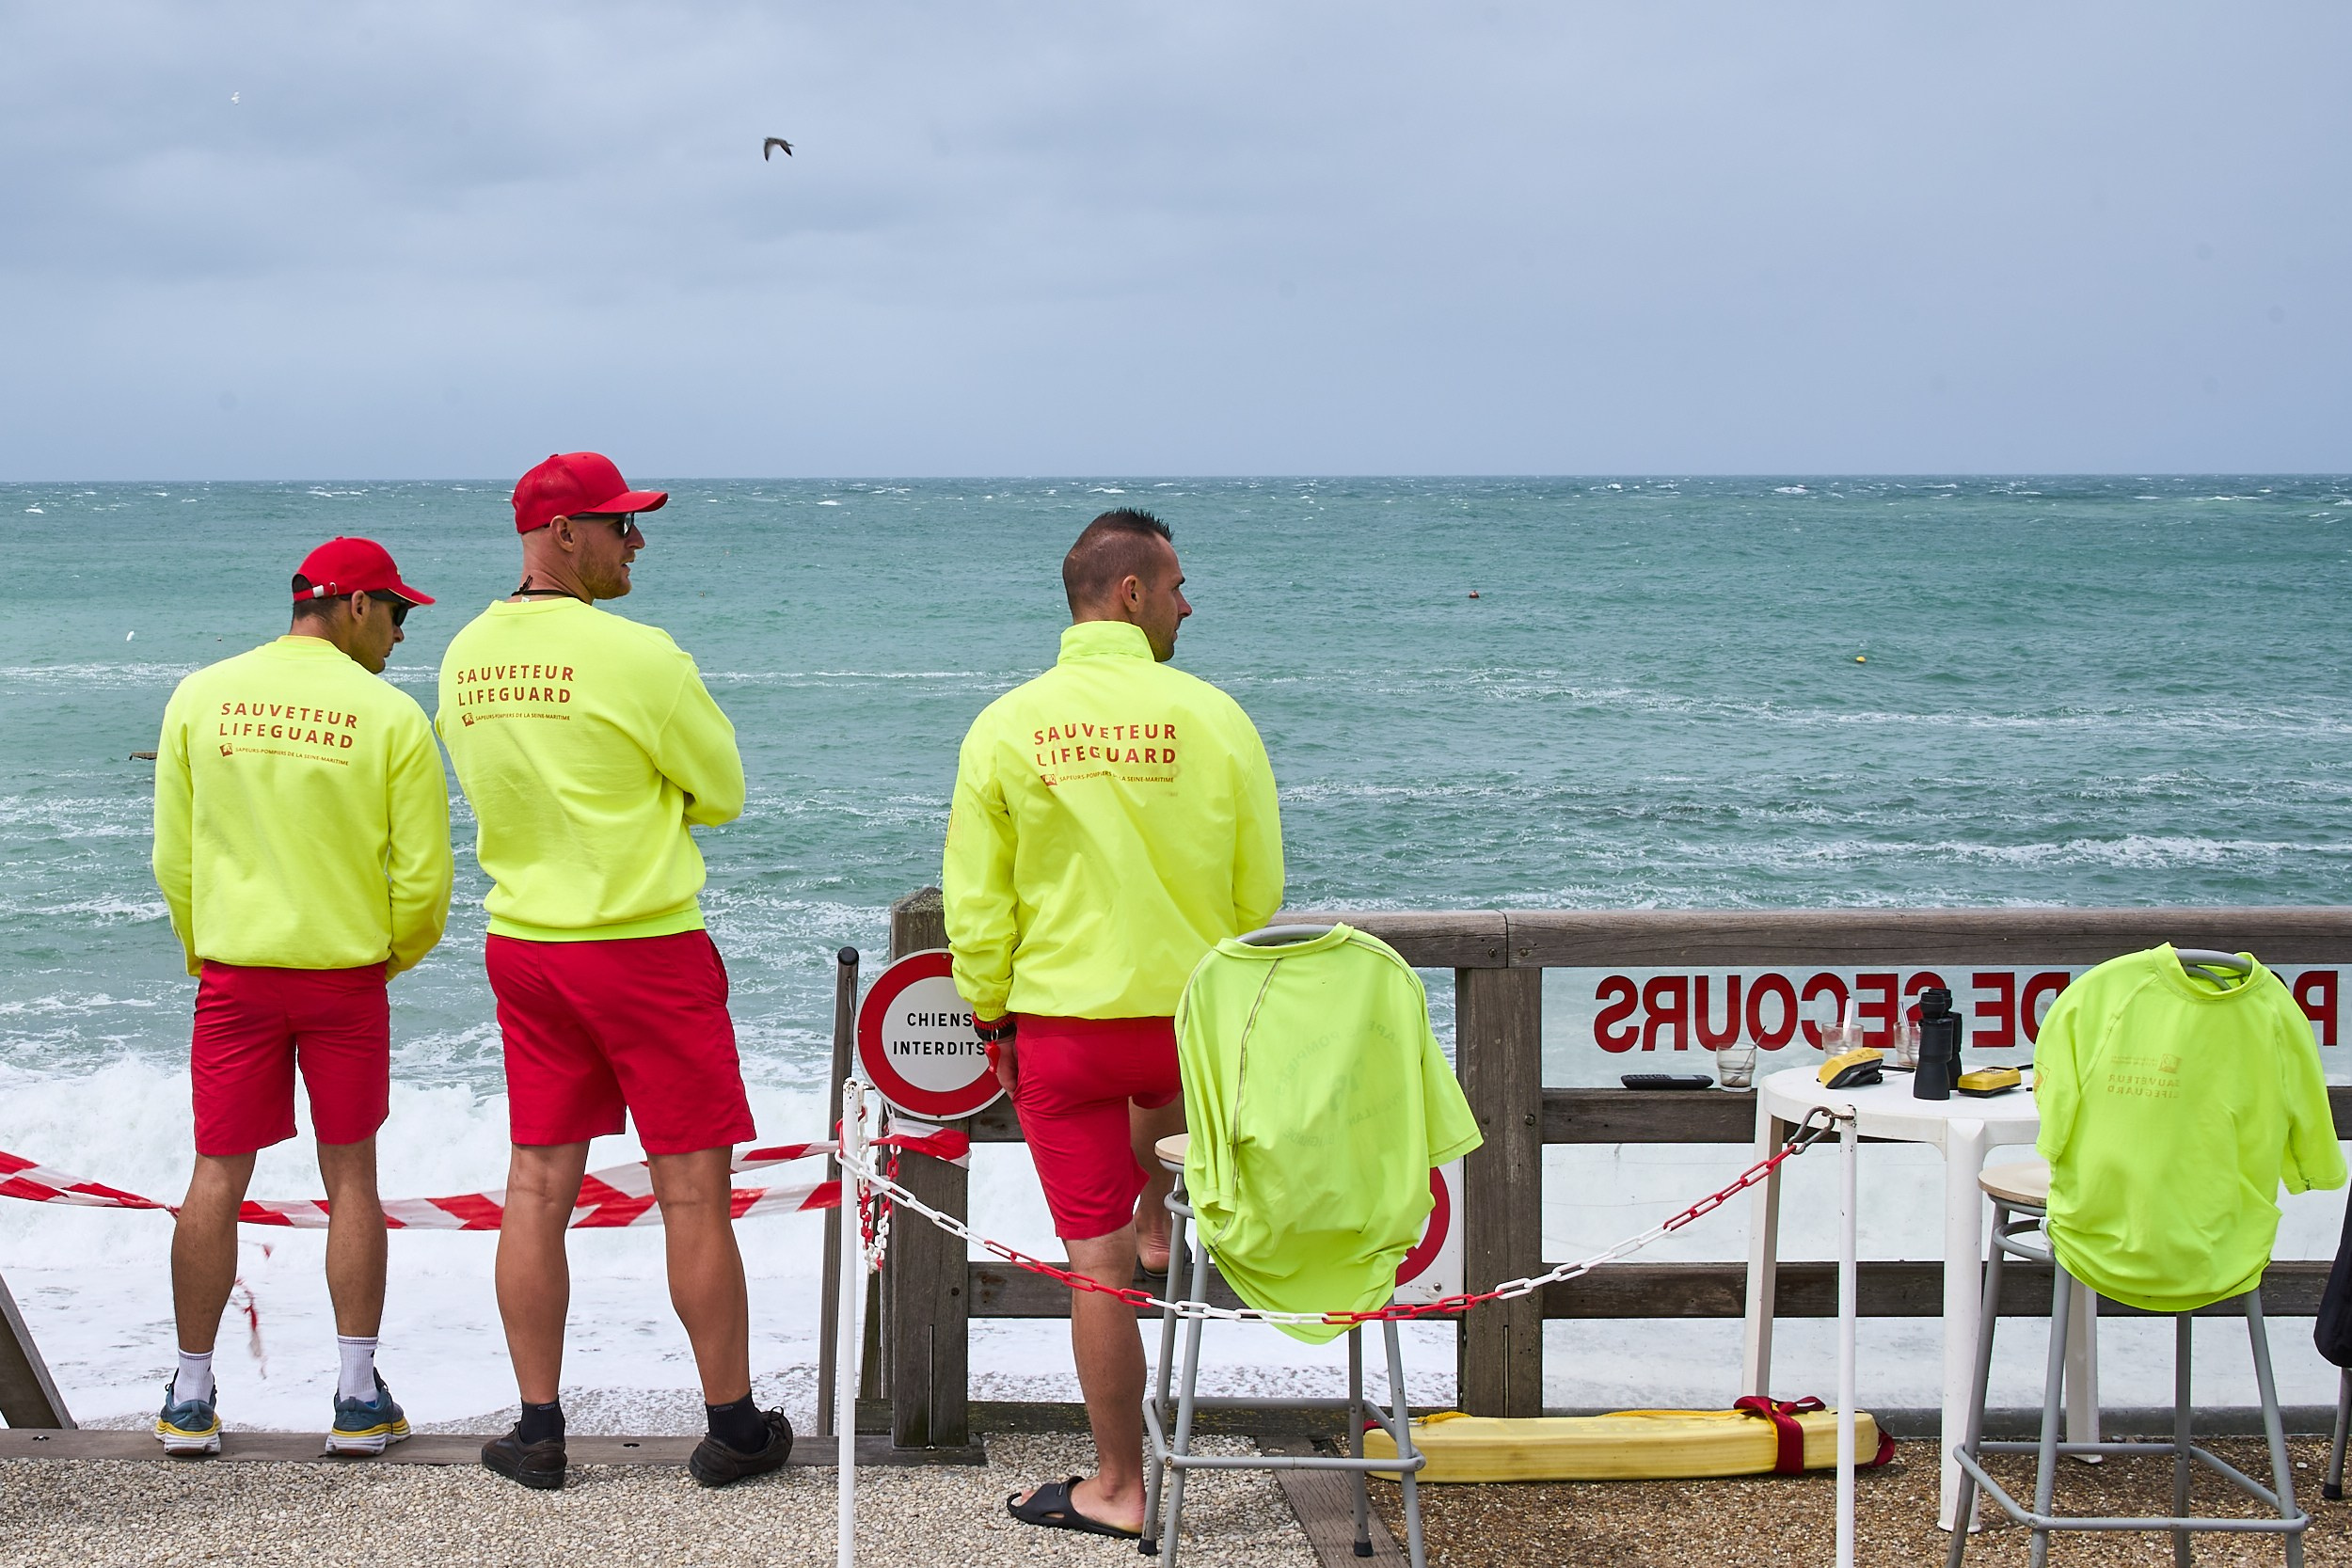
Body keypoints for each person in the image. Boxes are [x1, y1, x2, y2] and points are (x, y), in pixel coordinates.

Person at [437, 451, 788, 1492]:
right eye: (620, 524)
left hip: (527, 944)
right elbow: (721, 789)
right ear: (562, 536)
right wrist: (659, 804)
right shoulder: (638, 653)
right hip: (641, 944)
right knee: (693, 1195)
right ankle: (731, 1424)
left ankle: (537, 1427)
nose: (638, 541)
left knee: (538, 1184)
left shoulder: (462, 655)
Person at [942, 508, 1284, 1539]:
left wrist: (991, 1011)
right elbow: (1259, 892)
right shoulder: (1215, 715)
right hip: (1186, 1024)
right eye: (1177, 584)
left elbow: (978, 907)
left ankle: (1119, 1485)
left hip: (1066, 1028)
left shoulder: (1008, 722)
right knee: (1154, 1159)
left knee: (1095, 1270)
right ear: (1128, 593)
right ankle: (1154, 1212)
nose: (1189, 601)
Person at [150, 535, 451, 1456]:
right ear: (354, 605)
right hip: (346, 975)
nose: (400, 634)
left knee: (215, 1172)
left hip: (236, 971)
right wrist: (385, 958)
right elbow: (424, 883)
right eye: (396, 613)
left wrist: (208, 947)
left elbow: (174, 856)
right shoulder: (390, 715)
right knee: (351, 1174)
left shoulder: (201, 695)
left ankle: (190, 1398)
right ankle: (356, 1397)